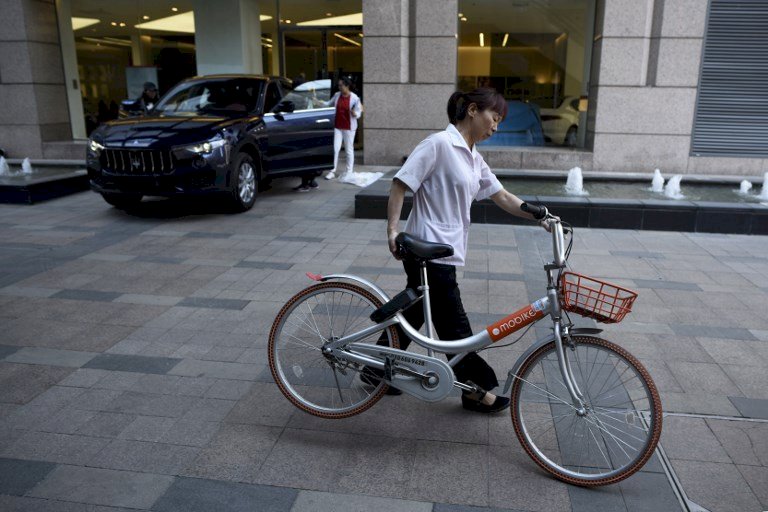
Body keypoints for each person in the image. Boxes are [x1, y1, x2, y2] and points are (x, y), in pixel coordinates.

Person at [380, 88, 553, 413]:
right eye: (494, 118)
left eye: (499, 121)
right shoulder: (438, 145)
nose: (496, 127)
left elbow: (502, 196)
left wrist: (538, 214)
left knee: (416, 310)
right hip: (425, 249)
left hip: (446, 251)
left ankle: (375, 367)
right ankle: (477, 388)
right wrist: (392, 230)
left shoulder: (473, 158)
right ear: (473, 110)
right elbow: (401, 183)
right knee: (454, 325)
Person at [320, 76, 363, 181]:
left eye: (341, 85)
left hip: (348, 127)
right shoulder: (337, 95)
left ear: (347, 86)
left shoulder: (354, 98)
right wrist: (318, 101)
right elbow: (328, 103)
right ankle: (332, 171)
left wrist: (355, 113)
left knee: (349, 150)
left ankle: (349, 171)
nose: (339, 87)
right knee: (335, 149)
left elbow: (359, 112)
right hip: (338, 126)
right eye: (338, 85)